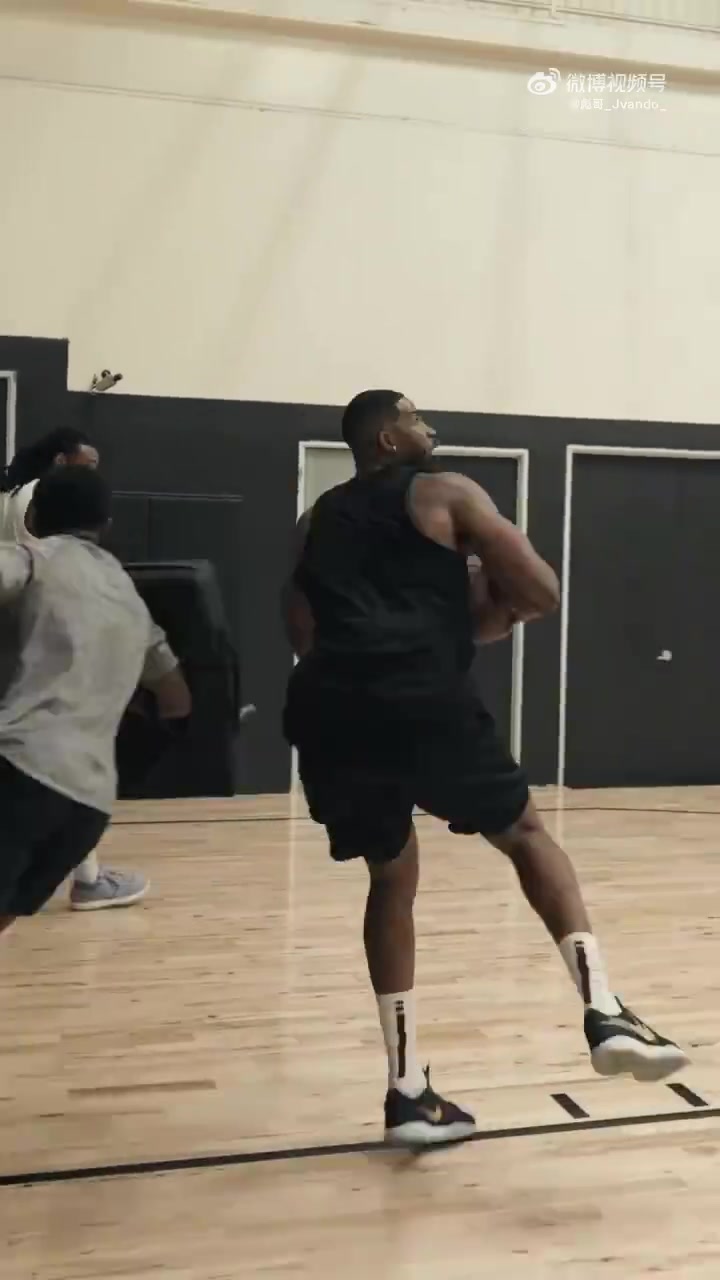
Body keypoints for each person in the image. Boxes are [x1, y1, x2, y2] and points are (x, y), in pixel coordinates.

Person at [282, 389, 688, 1148]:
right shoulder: (448, 493)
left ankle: (408, 1091)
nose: (429, 426)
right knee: (528, 835)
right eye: (414, 416)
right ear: (387, 438)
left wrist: (410, 638)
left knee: (390, 877)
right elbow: (542, 591)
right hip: (421, 698)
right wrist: (488, 616)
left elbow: (300, 629)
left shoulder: (316, 520)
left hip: (328, 711)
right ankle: (606, 1011)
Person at [0, 466, 191, 933]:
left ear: (33, 516)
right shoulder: (131, 600)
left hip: (19, 770)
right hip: (88, 807)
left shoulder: (31, 559)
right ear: (106, 524)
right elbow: (176, 700)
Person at [0, 428, 148, 910]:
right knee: (58, 765)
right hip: (36, 656)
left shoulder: (19, 498)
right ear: (63, 461)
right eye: (89, 462)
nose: (95, 472)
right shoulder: (45, 526)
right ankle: (88, 881)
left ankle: (87, 878)